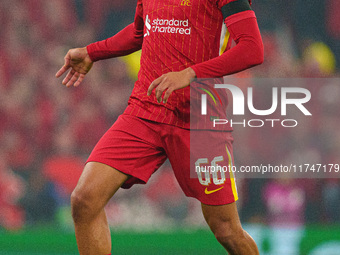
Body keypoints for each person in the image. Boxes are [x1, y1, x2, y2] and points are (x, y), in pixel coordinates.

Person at [56, 0, 263, 254]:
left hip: (199, 117)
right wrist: (92, 52)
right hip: (145, 110)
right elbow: (139, 32)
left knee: (227, 230)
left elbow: (252, 49)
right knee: (83, 200)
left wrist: (190, 73)